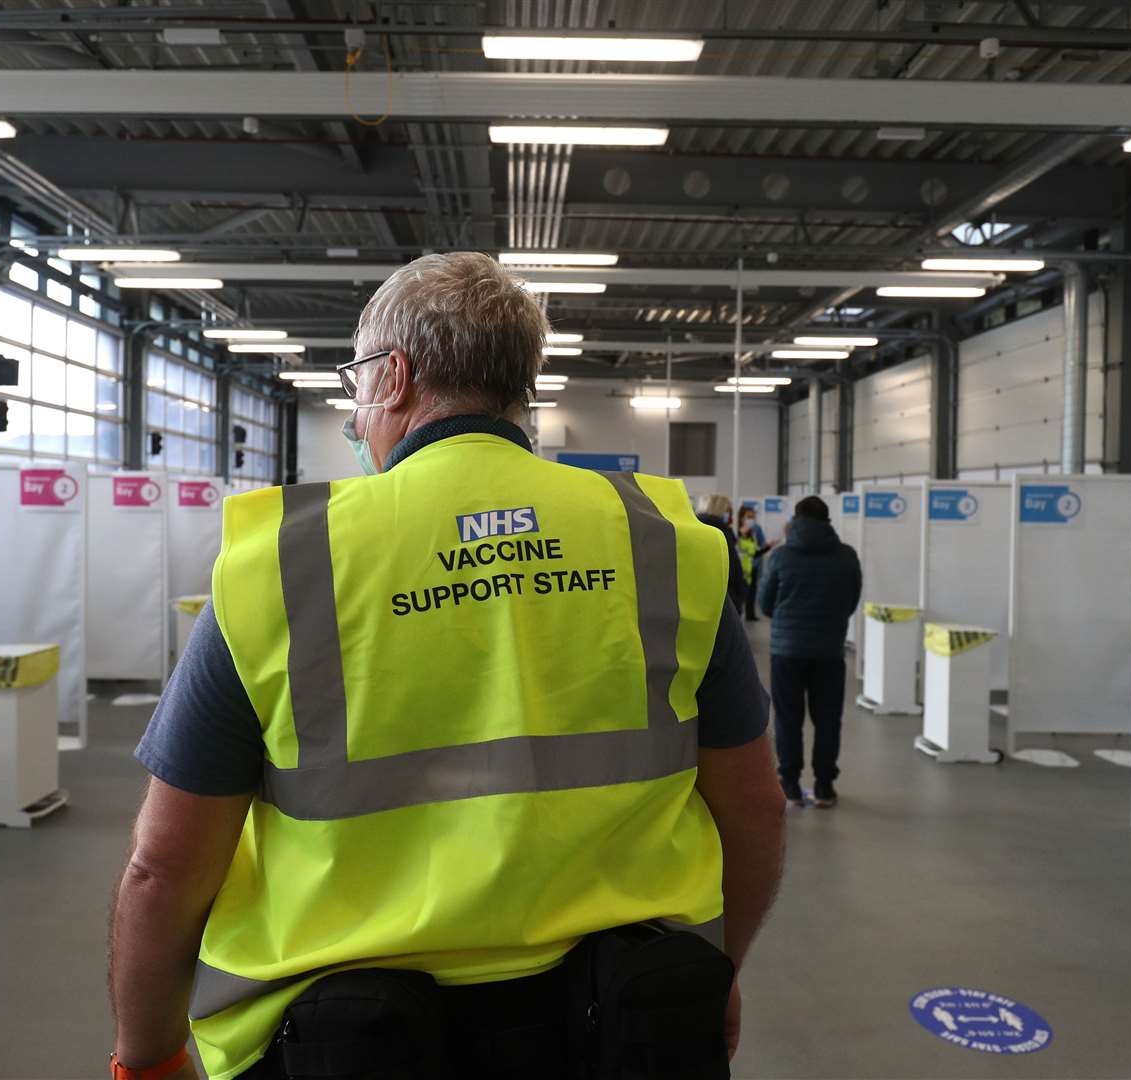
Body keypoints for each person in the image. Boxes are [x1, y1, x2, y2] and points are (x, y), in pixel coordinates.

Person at [109, 252, 787, 1080]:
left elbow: (165, 866)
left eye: (357, 381)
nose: (356, 417)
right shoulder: (663, 545)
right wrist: (720, 969)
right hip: (628, 1024)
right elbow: (752, 807)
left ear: (393, 376)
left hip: (350, 1041)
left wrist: (146, 1057)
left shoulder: (285, 565)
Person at [757, 495, 862, 808]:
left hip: (787, 652)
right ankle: (825, 786)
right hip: (830, 651)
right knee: (828, 719)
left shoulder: (780, 557)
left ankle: (789, 784)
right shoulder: (846, 556)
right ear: (827, 520)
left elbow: (765, 603)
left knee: (788, 719)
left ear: (796, 520)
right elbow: (851, 601)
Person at [694, 493, 749, 616]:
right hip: (724, 601)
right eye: (728, 511)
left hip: (700, 599)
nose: (730, 515)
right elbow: (732, 570)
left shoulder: (695, 530)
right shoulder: (720, 533)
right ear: (720, 510)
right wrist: (741, 593)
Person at [735, 505, 770, 622]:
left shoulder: (756, 529)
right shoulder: (735, 530)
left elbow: (759, 546)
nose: (751, 519)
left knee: (752, 591)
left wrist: (767, 546)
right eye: (749, 516)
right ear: (742, 517)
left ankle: (750, 614)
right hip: (740, 567)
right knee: (739, 593)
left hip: (753, 565)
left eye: (753, 517)